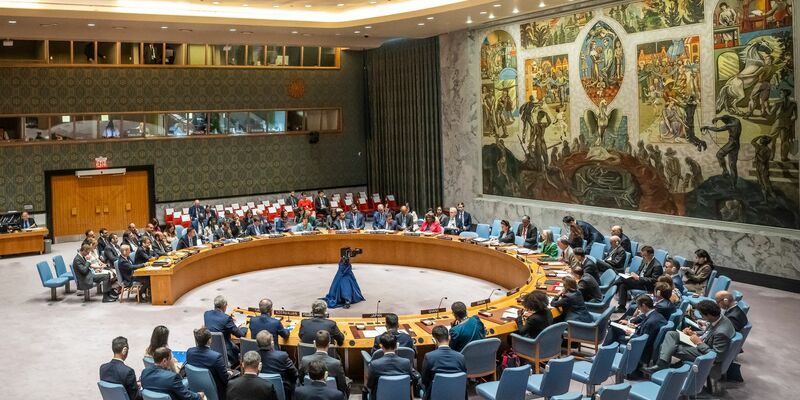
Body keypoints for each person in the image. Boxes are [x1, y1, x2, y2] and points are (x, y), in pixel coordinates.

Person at [646, 300, 735, 373]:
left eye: (702, 315)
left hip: (705, 354)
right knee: (671, 334)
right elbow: (709, 333)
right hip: (703, 342)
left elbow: (717, 356)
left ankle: (662, 365)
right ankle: (662, 365)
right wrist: (693, 333)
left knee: (669, 347)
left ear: (709, 315)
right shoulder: (718, 317)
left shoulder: (721, 332)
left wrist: (699, 342)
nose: (701, 317)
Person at [604, 295, 667, 366]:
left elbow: (643, 341)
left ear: (644, 306)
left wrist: (631, 334)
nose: (638, 309)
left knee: (615, 333)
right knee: (615, 328)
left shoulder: (650, 322)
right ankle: (606, 352)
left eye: (638, 306)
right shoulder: (655, 314)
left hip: (640, 346)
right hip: (640, 335)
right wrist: (636, 326)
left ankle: (604, 353)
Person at [298, 330, 350, 397]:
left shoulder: (305, 360)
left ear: (314, 343)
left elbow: (300, 381)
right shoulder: (336, 363)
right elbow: (342, 387)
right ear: (329, 344)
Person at [421, 325, 466, 400]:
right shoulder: (461, 357)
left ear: (434, 340)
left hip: (435, 395)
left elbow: (424, 380)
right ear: (449, 337)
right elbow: (463, 379)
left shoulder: (429, 357)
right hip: (456, 394)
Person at [367, 333, 413, 400]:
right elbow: (410, 381)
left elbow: (369, 385)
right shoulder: (406, 363)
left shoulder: (375, 364)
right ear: (396, 346)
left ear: (382, 347)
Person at [186, 327, 229, 400]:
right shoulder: (216, 357)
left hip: (195, 388)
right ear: (209, 340)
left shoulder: (189, 352)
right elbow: (225, 379)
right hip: (216, 391)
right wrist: (229, 374)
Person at [204, 295, 247, 368]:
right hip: (227, 351)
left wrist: (230, 321)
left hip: (210, 347)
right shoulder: (226, 319)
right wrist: (243, 327)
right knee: (239, 347)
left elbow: (217, 322)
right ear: (224, 306)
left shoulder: (206, 314)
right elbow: (240, 334)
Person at [616, 245, 663, 312]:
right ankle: (622, 307)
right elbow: (639, 271)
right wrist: (633, 274)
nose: (643, 257)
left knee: (622, 279)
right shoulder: (644, 260)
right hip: (639, 281)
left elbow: (654, 280)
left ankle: (611, 286)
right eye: (642, 255)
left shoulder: (657, 266)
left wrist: (639, 278)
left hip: (646, 286)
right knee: (623, 285)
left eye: (645, 255)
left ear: (651, 255)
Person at [256, 331, 297, 400]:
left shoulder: (254, 357)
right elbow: (294, 374)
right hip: (283, 391)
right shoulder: (282, 356)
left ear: (257, 344)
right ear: (272, 343)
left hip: (261, 391)